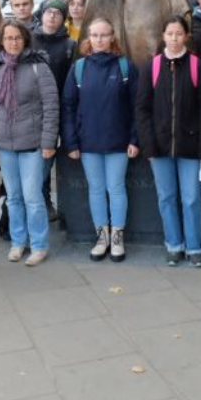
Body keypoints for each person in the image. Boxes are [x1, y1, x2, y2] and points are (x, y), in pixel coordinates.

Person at [0, 20, 59, 266]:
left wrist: (48, 142)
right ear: (1, 41)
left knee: (33, 197)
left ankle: (39, 245)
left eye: (17, 38)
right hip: (5, 145)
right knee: (13, 197)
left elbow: (51, 106)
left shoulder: (38, 67)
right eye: (8, 38)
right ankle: (18, 242)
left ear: (25, 40)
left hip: (33, 144)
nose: (13, 42)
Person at [135, 15, 201, 267]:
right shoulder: (153, 66)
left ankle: (194, 246)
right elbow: (142, 108)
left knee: (191, 198)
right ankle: (174, 244)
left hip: (190, 145)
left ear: (186, 36)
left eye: (179, 33)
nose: (174, 38)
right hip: (159, 145)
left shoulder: (196, 66)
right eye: (170, 34)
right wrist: (148, 143)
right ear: (163, 36)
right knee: (166, 197)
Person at [62, 17, 140, 262]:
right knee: (96, 189)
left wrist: (135, 139)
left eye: (104, 35)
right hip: (88, 143)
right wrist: (72, 143)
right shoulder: (79, 68)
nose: (99, 40)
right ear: (88, 38)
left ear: (112, 37)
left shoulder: (125, 67)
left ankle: (117, 237)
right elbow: (69, 107)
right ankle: (101, 236)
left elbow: (138, 107)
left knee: (115, 188)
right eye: (94, 35)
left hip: (118, 141)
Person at [33, 0, 77, 217]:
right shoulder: (29, 41)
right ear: (41, 14)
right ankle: (39, 200)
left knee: (49, 158)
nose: (52, 16)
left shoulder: (70, 46)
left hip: (59, 110)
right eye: (49, 12)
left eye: (58, 14)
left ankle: (47, 199)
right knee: (35, 161)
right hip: (31, 110)